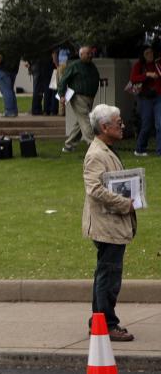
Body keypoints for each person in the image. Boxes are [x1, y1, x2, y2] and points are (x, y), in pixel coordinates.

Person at [84, 104, 136, 341]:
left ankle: (98, 319)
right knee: (109, 275)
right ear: (104, 127)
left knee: (105, 273)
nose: (122, 126)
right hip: (107, 224)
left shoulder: (105, 149)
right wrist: (124, 203)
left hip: (110, 224)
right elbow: (94, 189)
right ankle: (107, 323)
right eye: (118, 123)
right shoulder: (97, 154)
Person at [59, 46, 100, 153]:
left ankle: (69, 145)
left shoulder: (92, 66)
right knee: (86, 120)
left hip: (89, 97)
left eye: (91, 53)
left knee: (81, 122)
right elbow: (63, 80)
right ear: (81, 55)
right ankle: (93, 144)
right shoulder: (75, 66)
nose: (90, 55)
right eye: (88, 53)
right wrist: (62, 95)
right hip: (78, 97)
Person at [130, 45, 161, 157]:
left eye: (151, 52)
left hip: (158, 96)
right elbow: (133, 79)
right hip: (145, 98)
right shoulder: (139, 65)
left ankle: (159, 151)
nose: (150, 55)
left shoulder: (157, 64)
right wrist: (147, 75)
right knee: (146, 124)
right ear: (143, 55)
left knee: (160, 124)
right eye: (147, 53)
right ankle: (140, 148)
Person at [0, 42, 21, 117]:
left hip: (4, 68)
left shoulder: (4, 39)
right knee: (10, 90)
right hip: (14, 69)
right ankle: (14, 110)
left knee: (6, 90)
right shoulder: (17, 38)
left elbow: (0, 55)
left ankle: (9, 111)